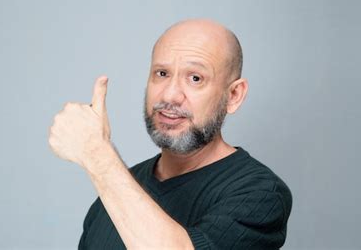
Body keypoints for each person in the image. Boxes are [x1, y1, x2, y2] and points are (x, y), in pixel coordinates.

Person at [49, 19, 292, 249]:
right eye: (162, 74)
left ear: (234, 95)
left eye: (195, 78)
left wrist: (96, 155)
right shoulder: (113, 192)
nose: (170, 95)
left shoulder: (260, 194)